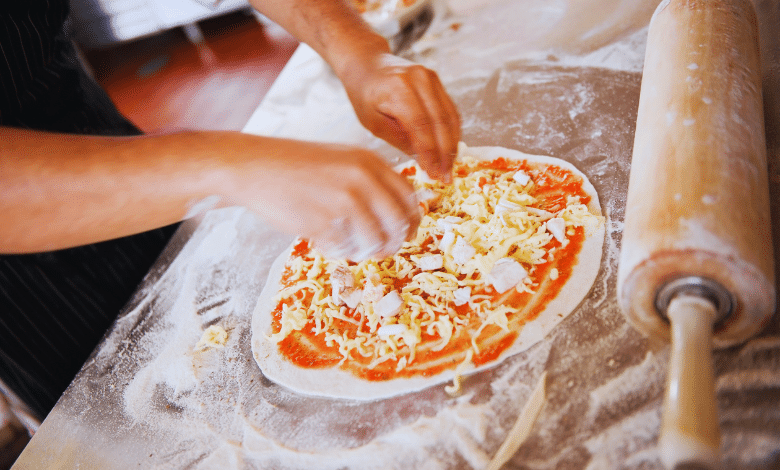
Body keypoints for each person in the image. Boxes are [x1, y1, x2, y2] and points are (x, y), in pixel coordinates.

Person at [0, 0, 461, 418]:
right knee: (142, 418)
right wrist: (221, 165)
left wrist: (357, 48)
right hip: (28, 290)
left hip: (102, 143)